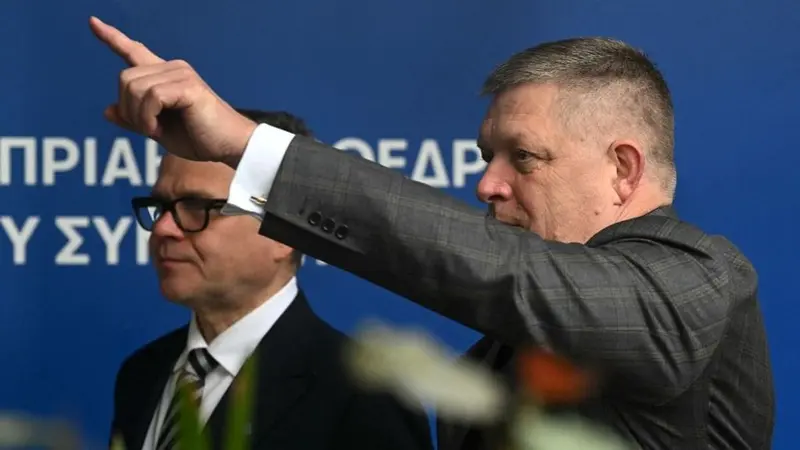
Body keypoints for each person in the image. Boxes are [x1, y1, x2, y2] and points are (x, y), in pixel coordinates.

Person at [90, 17, 775, 450]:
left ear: (623, 169)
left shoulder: (699, 280)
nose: (486, 185)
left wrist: (248, 148)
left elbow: (505, 273)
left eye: (523, 157)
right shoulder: (497, 352)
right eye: (486, 157)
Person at [108, 108, 434, 450]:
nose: (163, 229)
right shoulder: (142, 373)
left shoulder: (368, 396)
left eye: (197, 206)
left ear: (284, 232)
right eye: (160, 206)